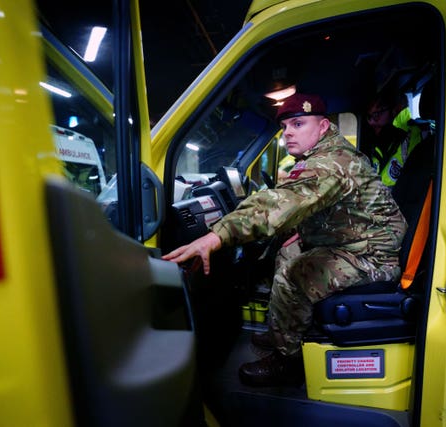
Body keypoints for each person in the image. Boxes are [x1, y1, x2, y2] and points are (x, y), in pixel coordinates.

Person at [162, 93, 407, 387]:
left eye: (298, 123)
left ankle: (288, 362)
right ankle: (284, 330)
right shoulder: (327, 156)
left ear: (323, 127)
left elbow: (280, 203)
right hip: (356, 243)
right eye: (285, 127)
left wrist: (217, 236)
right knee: (288, 252)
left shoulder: (331, 164)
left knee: (293, 275)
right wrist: (301, 231)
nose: (288, 132)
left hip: (372, 258)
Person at [365, 87, 429, 187]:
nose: (371, 122)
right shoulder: (377, 142)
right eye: (369, 116)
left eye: (377, 114)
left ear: (395, 110)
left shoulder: (413, 135)